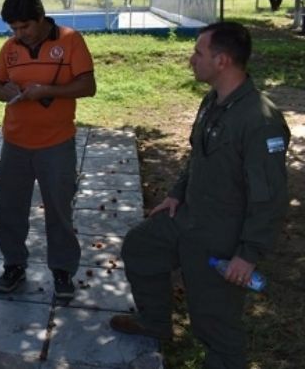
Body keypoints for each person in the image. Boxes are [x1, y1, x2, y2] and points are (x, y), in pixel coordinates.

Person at [110, 22, 290, 368]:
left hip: (221, 237)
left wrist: (247, 255)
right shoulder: (213, 101)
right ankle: (156, 323)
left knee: (214, 323)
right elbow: (198, 156)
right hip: (189, 217)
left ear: (222, 60)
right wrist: (176, 193)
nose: (192, 60)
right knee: (141, 246)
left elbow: (270, 197)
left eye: (198, 53)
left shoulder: (259, 120)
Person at [0, 0, 96, 301]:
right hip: (15, 142)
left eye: (25, 27)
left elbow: (88, 86)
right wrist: (4, 90)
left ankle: (62, 271)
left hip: (57, 143)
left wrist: (47, 90)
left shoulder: (70, 40)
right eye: (14, 29)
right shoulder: (9, 48)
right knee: (8, 209)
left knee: (59, 209)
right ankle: (13, 265)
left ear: (41, 18)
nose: (20, 34)